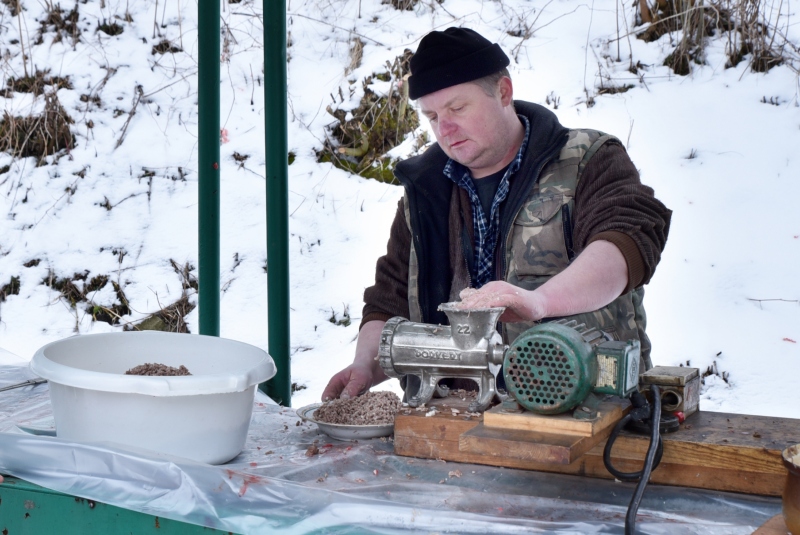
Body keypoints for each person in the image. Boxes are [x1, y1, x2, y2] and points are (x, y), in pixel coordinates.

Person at [322, 27, 671, 402]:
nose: (445, 128)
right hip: (451, 420)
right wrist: (365, 365)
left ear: (503, 91)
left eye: (458, 108)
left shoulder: (588, 158)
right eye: (433, 116)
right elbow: (388, 301)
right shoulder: (423, 191)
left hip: (581, 413)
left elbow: (626, 244)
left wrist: (539, 302)